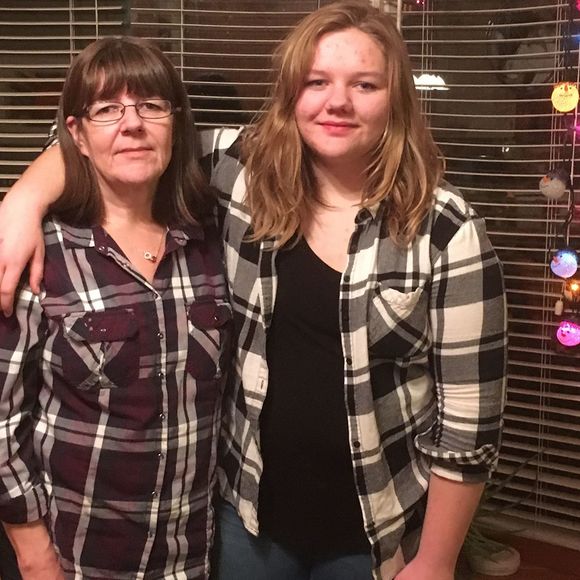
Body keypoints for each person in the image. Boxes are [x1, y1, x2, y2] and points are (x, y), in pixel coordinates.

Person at [0, 2, 507, 579]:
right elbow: (115, 139)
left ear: (395, 100)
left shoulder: (445, 230)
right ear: (291, 93)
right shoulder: (241, 174)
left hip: (375, 529)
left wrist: (437, 559)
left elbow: (469, 423)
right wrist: (22, 201)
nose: (338, 101)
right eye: (316, 81)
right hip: (246, 521)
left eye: (365, 84)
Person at [0, 36, 231, 579]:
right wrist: (32, 551)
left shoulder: (210, 242)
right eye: (107, 109)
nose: (132, 124)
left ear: (175, 124)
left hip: (193, 557)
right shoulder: (38, 255)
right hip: (74, 557)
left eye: (151, 105)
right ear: (76, 135)